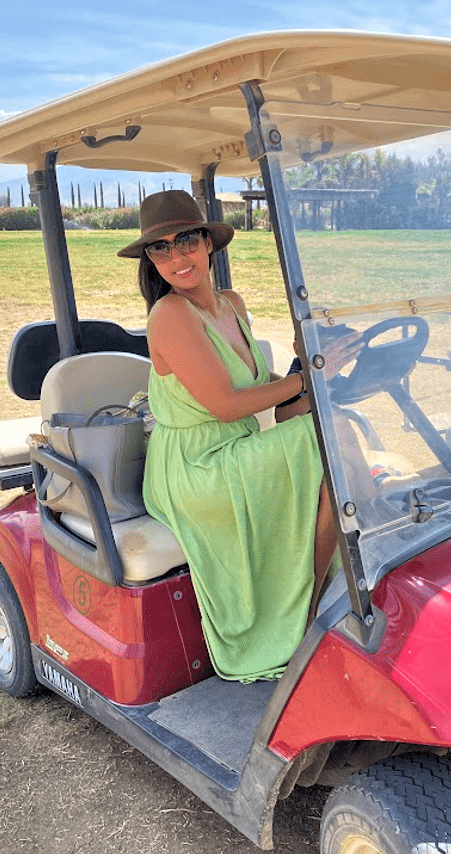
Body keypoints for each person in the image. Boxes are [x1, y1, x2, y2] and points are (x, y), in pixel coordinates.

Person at [118, 190, 358, 683]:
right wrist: (309, 376)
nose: (177, 257)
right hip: (196, 466)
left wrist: (319, 379)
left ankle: (349, 586)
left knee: (337, 430)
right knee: (329, 440)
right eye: (160, 248)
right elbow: (226, 405)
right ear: (151, 259)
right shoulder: (169, 315)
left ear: (208, 242)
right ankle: (307, 617)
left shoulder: (232, 304)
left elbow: (267, 393)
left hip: (236, 446)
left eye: (187, 240)